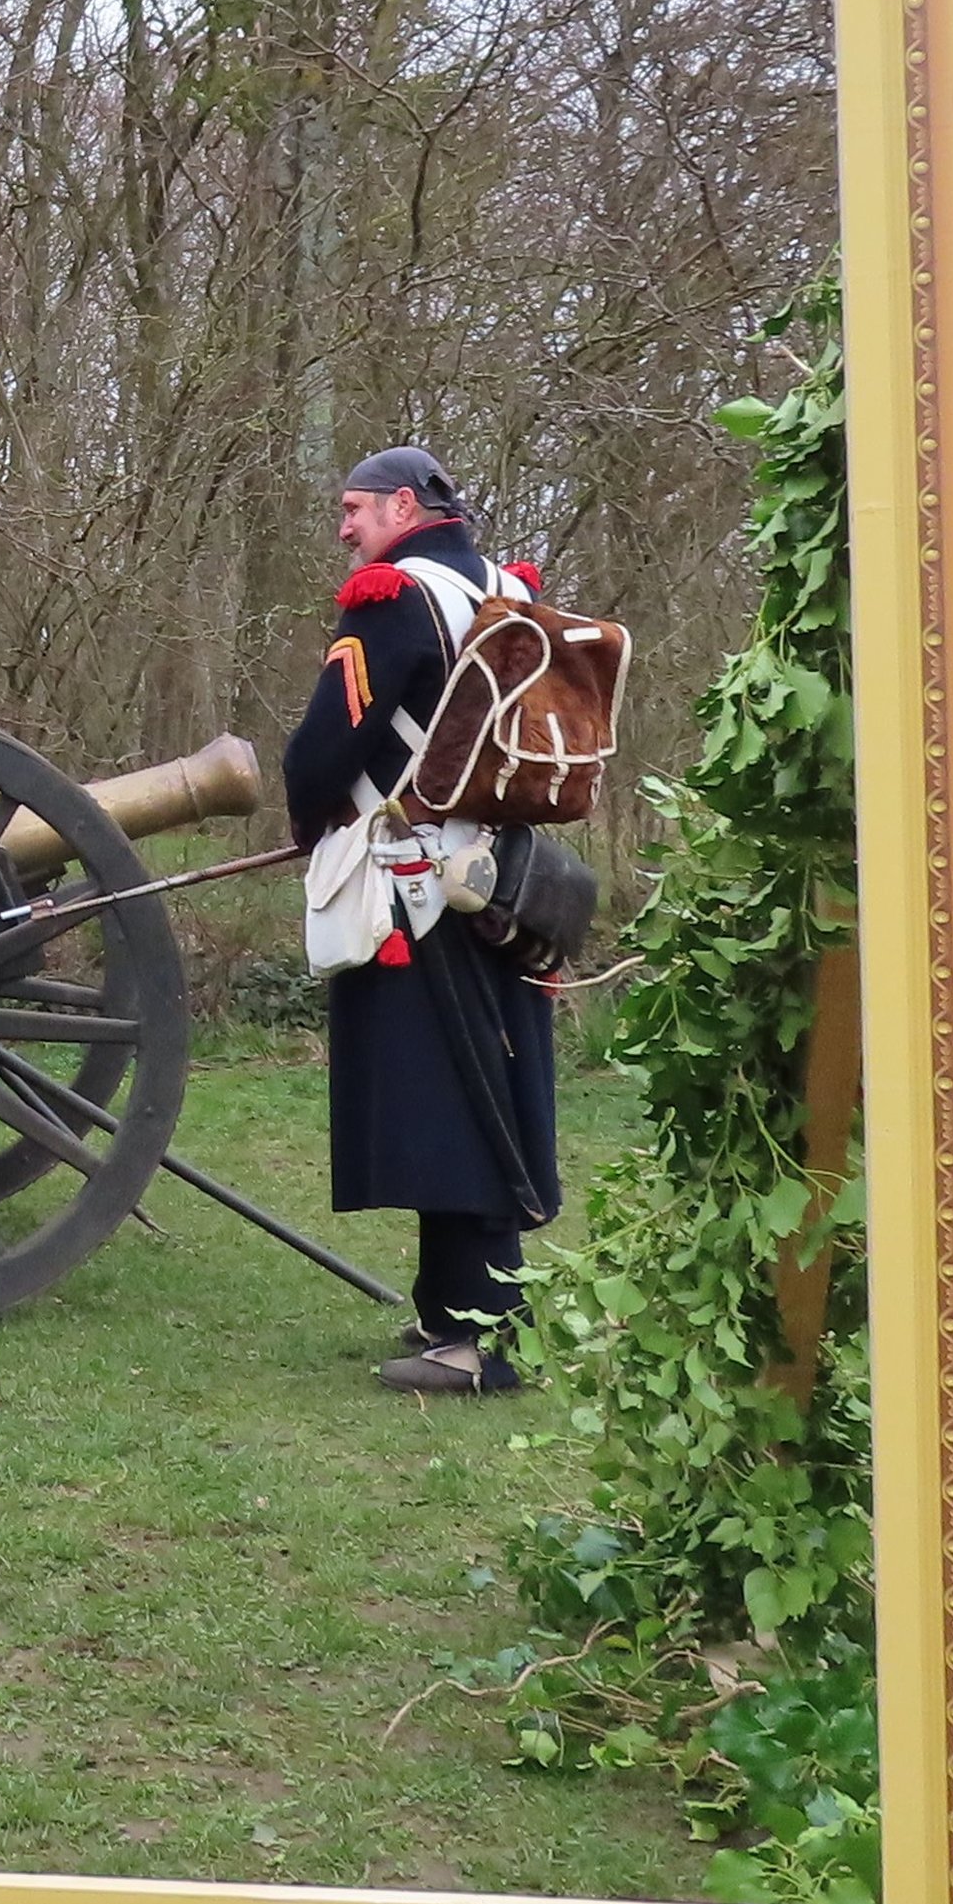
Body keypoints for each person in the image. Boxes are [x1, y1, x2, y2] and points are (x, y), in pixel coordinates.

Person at [280, 444, 561, 1394]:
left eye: (355, 509)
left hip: (419, 885)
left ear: (405, 506)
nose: (346, 528)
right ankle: (455, 1315)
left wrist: (306, 818)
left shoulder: (394, 597)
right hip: (498, 875)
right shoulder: (506, 590)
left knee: (459, 1106)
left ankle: (480, 1343)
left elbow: (329, 742)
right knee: (480, 1091)